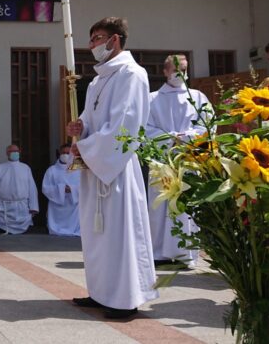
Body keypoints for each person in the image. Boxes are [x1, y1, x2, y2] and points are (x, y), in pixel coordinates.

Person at [66, 17, 158, 319]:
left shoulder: (132, 74)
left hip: (116, 167)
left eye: (97, 38)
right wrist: (79, 128)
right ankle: (101, 292)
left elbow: (125, 126)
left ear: (115, 40)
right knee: (96, 237)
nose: (92, 45)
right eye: (91, 39)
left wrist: (89, 147)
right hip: (97, 166)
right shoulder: (96, 81)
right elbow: (91, 121)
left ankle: (125, 300)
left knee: (119, 234)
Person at [145, 54, 211, 267]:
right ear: (165, 72)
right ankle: (158, 253)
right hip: (162, 161)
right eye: (175, 70)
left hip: (190, 159)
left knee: (186, 207)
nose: (180, 74)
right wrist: (172, 138)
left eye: (183, 69)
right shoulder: (152, 98)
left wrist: (187, 138)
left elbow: (208, 125)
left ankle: (186, 255)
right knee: (160, 206)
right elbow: (145, 128)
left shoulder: (198, 97)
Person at [0, 144, 39, 234]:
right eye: (12, 151)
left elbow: (32, 188)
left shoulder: (25, 168)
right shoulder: (0, 168)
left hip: (22, 205)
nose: (15, 153)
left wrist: (33, 206)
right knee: (2, 227)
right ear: (7, 153)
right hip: (5, 206)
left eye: (17, 151)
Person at [42, 144, 81, 236]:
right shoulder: (52, 170)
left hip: (74, 205)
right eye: (63, 152)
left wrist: (72, 189)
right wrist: (62, 189)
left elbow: (86, 186)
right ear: (59, 153)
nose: (65, 155)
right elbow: (46, 188)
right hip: (57, 205)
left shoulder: (79, 168)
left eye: (68, 153)